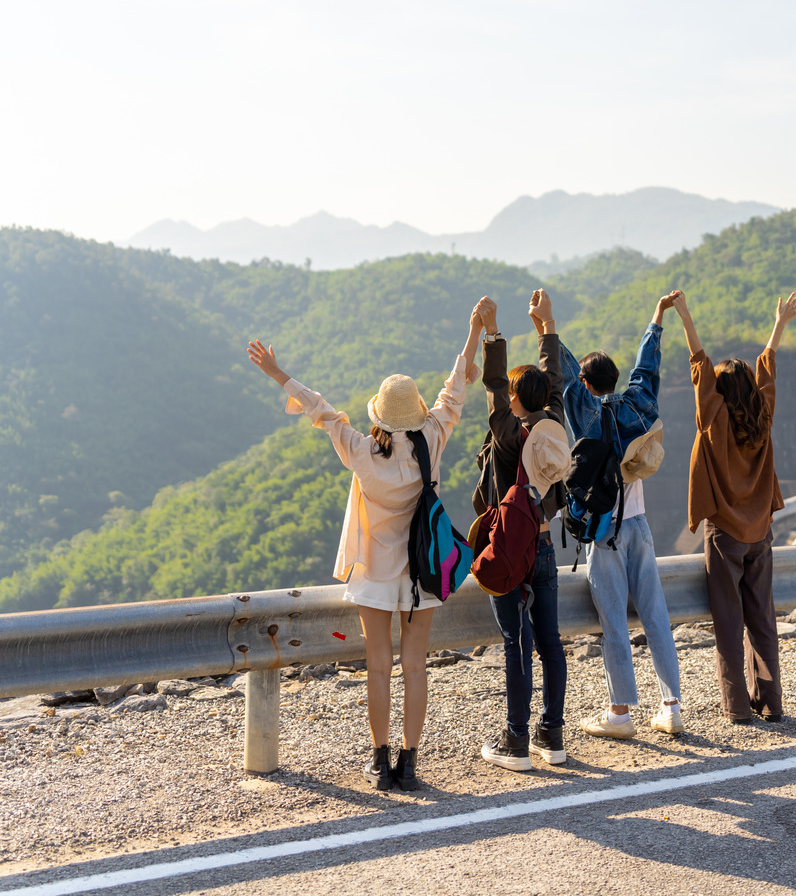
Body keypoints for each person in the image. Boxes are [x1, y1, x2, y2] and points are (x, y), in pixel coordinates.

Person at [247, 308, 484, 792]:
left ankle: (379, 765)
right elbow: (454, 390)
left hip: (374, 573)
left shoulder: (360, 450)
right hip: (423, 574)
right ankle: (410, 764)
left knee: (378, 666)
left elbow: (321, 410)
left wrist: (277, 373)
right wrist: (474, 330)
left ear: (378, 414)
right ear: (416, 411)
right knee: (415, 667)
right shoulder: (433, 439)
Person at [665, 288, 796, 725]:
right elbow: (766, 371)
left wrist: (685, 316)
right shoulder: (763, 416)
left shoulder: (715, 419)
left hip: (724, 533)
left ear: (721, 393)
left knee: (728, 623)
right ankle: (772, 704)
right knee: (762, 620)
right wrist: (779, 323)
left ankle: (737, 709)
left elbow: (699, 368)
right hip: (760, 533)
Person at [560, 298, 684, 740]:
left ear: (586, 384)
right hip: (640, 526)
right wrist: (657, 317)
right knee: (655, 615)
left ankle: (620, 714)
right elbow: (646, 368)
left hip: (606, 533)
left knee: (614, 622)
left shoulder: (588, 412)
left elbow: (563, 373)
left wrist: (548, 325)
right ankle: (671, 707)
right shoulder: (637, 404)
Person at [474, 289, 572, 771]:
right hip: (546, 543)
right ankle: (551, 737)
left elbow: (494, 384)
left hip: (513, 548)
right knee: (550, 641)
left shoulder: (510, 431)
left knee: (517, 643)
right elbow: (551, 384)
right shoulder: (552, 424)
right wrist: (546, 329)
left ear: (515, 400)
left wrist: (493, 333)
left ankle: (516, 741)